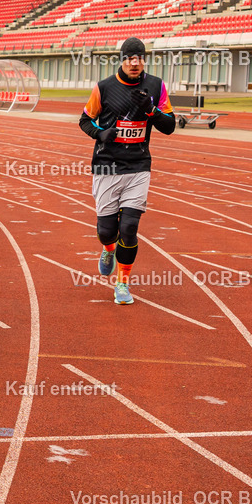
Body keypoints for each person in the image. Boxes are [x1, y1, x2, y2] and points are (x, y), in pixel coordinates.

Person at [79, 37, 175, 305]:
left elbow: (169, 126)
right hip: (107, 166)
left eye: (140, 57)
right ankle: (108, 249)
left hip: (138, 166)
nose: (135, 63)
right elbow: (85, 120)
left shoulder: (156, 86)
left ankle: (122, 284)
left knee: (130, 227)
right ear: (122, 59)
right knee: (107, 231)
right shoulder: (104, 88)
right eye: (130, 58)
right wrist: (100, 133)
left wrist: (152, 111)